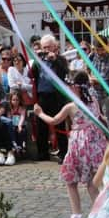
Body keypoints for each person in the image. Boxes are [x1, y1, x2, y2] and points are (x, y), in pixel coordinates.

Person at [34, 71, 108, 218]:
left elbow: (54, 121)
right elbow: (100, 117)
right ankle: (102, 215)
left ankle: (77, 215)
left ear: (75, 87)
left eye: (69, 86)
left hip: (79, 146)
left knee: (71, 179)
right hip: (96, 144)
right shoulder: (94, 100)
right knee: (93, 182)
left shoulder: (71, 107)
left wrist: (40, 113)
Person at [31, 34, 69, 162]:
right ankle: (42, 153)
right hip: (43, 95)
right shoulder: (39, 61)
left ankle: (64, 153)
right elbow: (31, 74)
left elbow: (64, 72)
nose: (46, 50)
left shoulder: (61, 59)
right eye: (44, 47)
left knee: (59, 124)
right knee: (41, 126)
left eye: (48, 47)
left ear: (54, 47)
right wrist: (36, 58)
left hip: (56, 96)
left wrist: (55, 60)